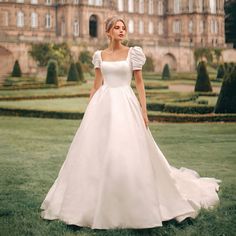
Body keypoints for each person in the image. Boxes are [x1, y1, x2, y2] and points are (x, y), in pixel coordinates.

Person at [40, 16, 221, 229]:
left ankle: (134, 200)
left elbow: (139, 83)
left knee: (125, 152)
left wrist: (144, 110)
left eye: (123, 27)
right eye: (116, 27)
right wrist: (89, 110)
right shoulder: (99, 55)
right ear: (107, 32)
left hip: (126, 104)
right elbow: (97, 85)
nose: (121, 30)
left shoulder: (133, 52)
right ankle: (93, 204)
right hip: (103, 106)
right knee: (96, 154)